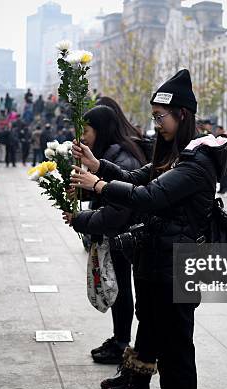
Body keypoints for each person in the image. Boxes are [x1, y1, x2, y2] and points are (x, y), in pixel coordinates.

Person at [70, 69, 227, 389]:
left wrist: (97, 186)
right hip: (157, 261)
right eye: (154, 116)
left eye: (161, 117)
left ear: (182, 114)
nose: (156, 123)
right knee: (154, 330)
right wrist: (98, 166)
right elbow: (134, 177)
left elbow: (149, 197)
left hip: (178, 265)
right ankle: (139, 383)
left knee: (177, 349)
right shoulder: (171, 154)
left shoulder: (196, 162)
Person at [62, 105, 145, 365]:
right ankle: (120, 340)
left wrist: (81, 220)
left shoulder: (124, 157)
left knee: (123, 291)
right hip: (120, 235)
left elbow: (118, 210)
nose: (83, 137)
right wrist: (83, 191)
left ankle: (122, 344)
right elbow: (106, 191)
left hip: (126, 236)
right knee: (120, 289)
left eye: (86, 131)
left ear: (102, 130)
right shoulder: (112, 154)